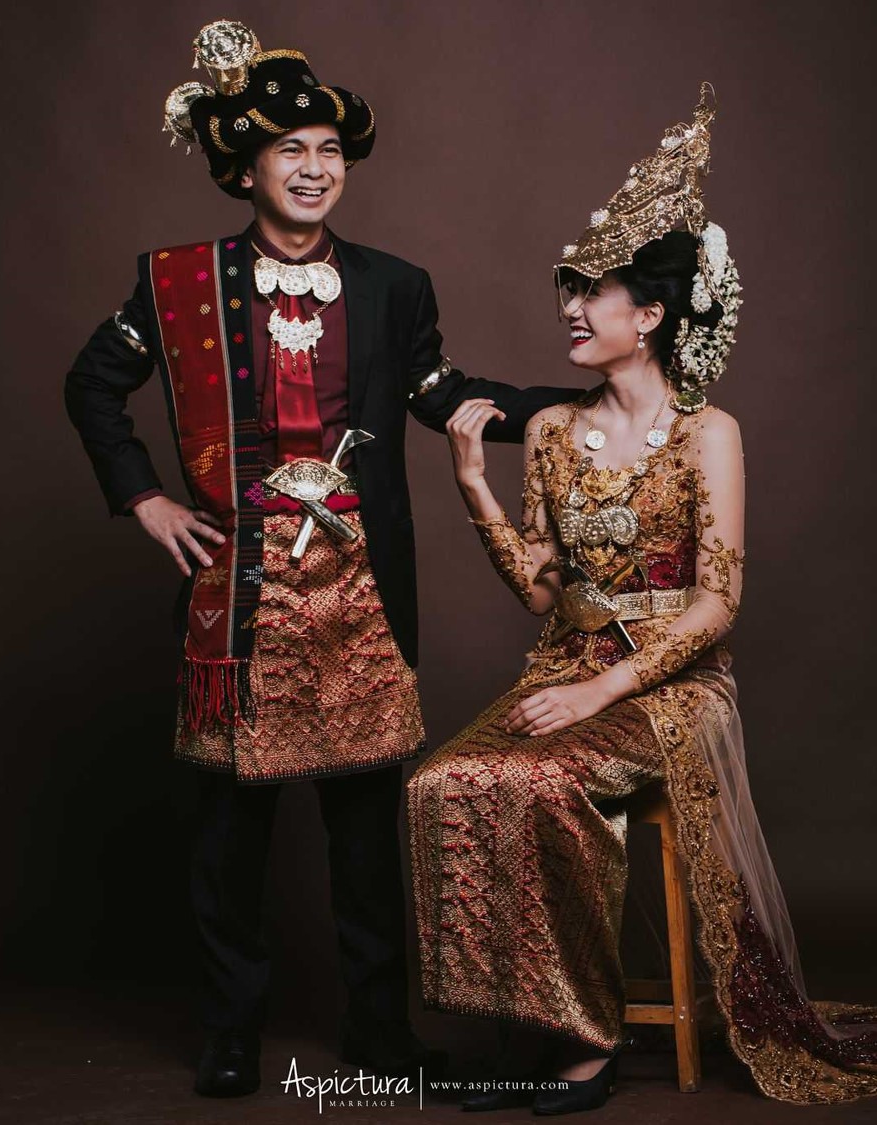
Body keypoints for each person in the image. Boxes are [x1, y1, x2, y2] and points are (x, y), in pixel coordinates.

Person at [64, 20, 581, 1100]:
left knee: (363, 834)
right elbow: (91, 385)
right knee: (229, 836)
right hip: (240, 588)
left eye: (330, 151)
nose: (314, 168)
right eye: (291, 150)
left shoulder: (395, 284)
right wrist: (145, 497)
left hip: (359, 591)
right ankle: (228, 1034)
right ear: (246, 168)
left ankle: (382, 1035)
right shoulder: (179, 281)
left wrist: (577, 404)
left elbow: (441, 394)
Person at [407, 84, 877, 1113]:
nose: (570, 310)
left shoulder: (711, 434)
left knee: (541, 783)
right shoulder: (547, 432)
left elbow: (717, 605)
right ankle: (519, 1027)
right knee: (445, 781)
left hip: (671, 690)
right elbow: (541, 587)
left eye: (593, 293)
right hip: (567, 663)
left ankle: (587, 1042)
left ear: (652, 315)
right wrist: (474, 487)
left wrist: (599, 692)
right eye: (567, 291)